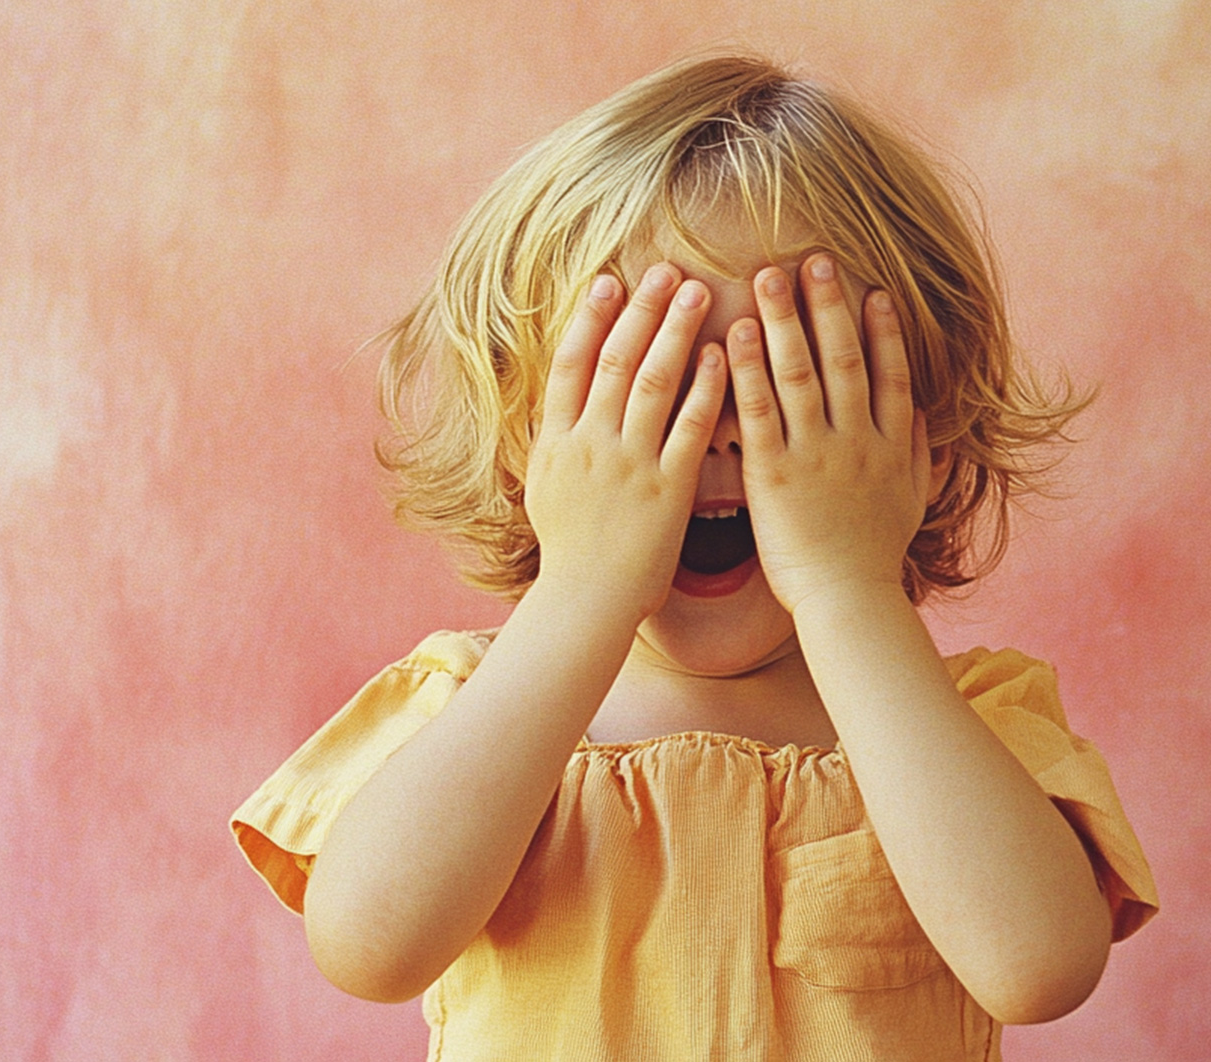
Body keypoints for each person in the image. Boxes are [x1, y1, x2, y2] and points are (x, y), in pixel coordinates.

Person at [231, 53, 1158, 1061]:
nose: (711, 437)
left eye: (787, 391)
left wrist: (845, 588)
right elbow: (371, 947)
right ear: (523, 453)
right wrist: (583, 591)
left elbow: (1038, 969)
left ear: (921, 450)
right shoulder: (461, 707)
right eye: (646, 396)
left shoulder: (973, 727)